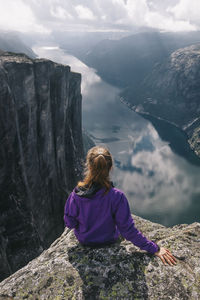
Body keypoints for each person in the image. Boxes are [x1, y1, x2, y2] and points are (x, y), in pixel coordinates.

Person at [64, 146, 177, 266]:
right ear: (110, 167)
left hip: (85, 241)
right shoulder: (117, 197)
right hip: (109, 240)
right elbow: (128, 231)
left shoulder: (76, 195)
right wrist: (155, 249)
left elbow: (69, 223)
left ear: (89, 166)